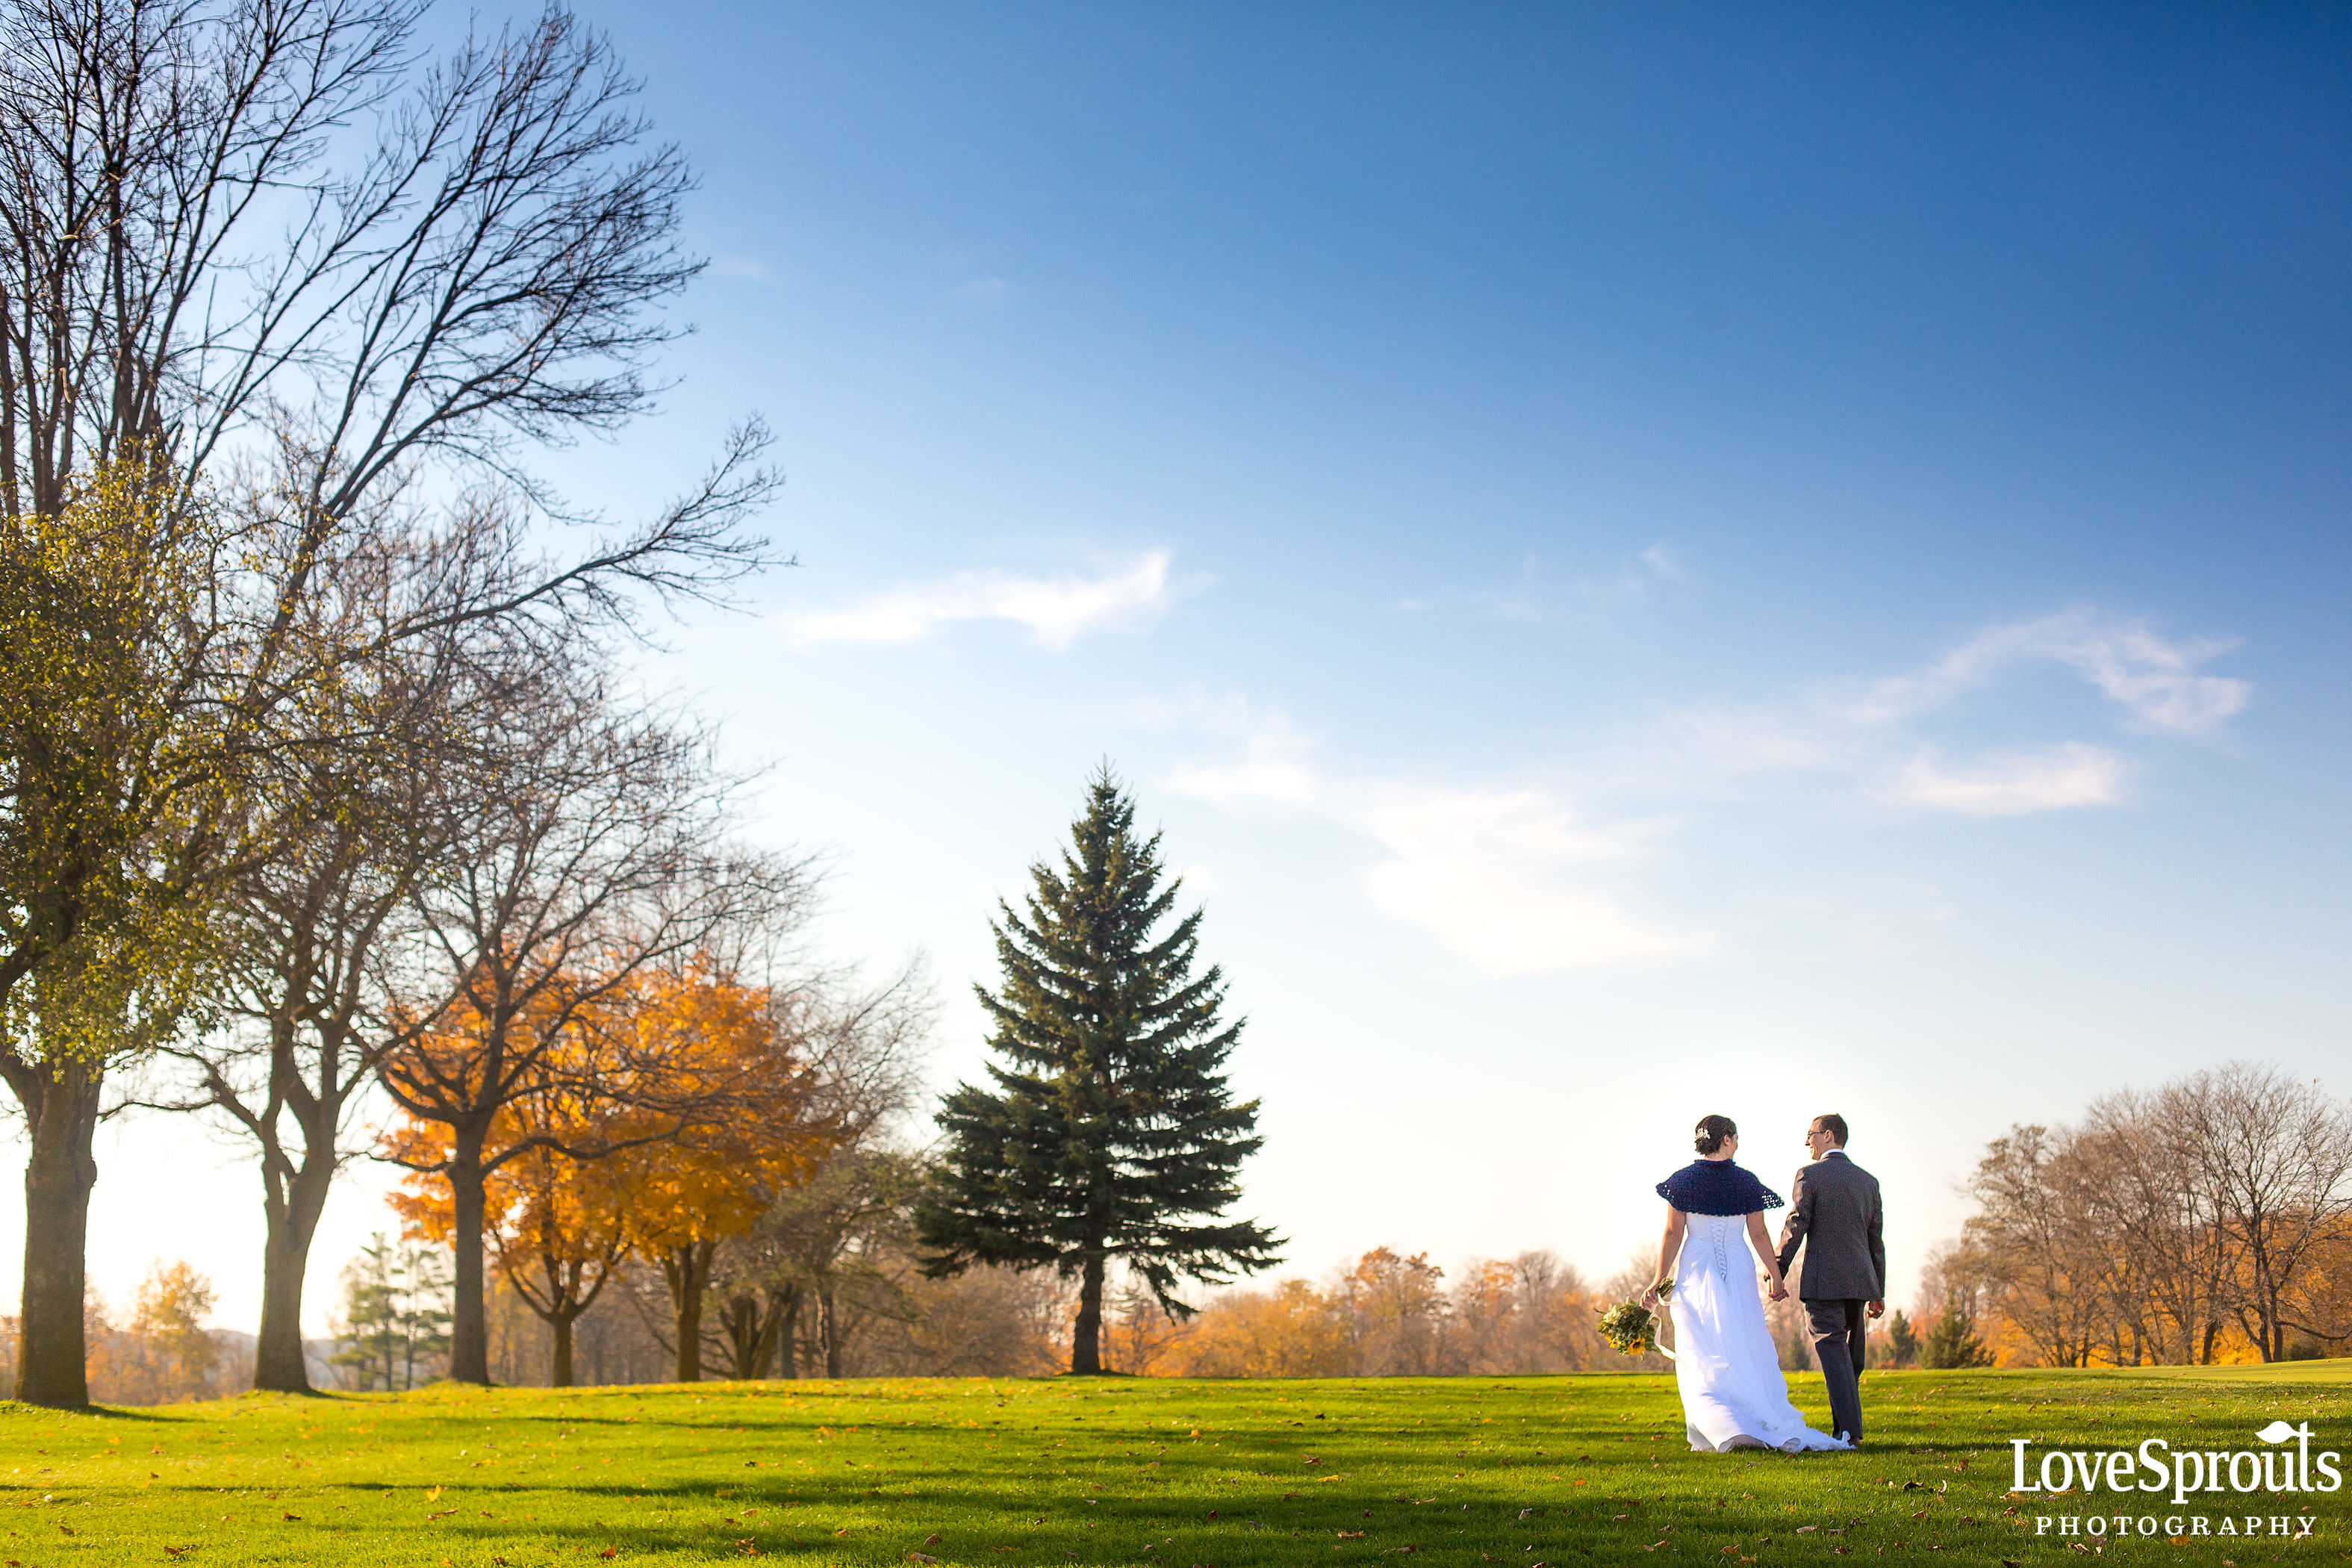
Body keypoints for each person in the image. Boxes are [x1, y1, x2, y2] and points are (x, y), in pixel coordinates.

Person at [1642, 1116, 1850, 1455]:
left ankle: (1724, 1426)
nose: (1737, 1143)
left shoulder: (1682, 1182)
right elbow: (1757, 1234)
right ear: (1725, 1139)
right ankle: (1747, 1420)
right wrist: (1775, 1276)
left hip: (1696, 1268)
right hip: (1738, 1268)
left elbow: (1673, 1233)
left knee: (1702, 1352)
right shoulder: (1745, 1182)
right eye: (1735, 1138)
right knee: (1742, 1343)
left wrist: (1658, 1280)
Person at [1773, 1113, 1885, 1447]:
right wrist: (1878, 1290)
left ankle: (1850, 1432)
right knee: (1849, 1359)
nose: (1807, 1141)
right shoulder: (1869, 1181)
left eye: (1811, 1134)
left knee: (1834, 1352)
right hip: (1861, 1283)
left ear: (1829, 1136)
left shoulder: (1810, 1175)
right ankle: (1845, 1431)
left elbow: (1796, 1224)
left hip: (1825, 1282)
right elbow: (1875, 1240)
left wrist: (1777, 1268)